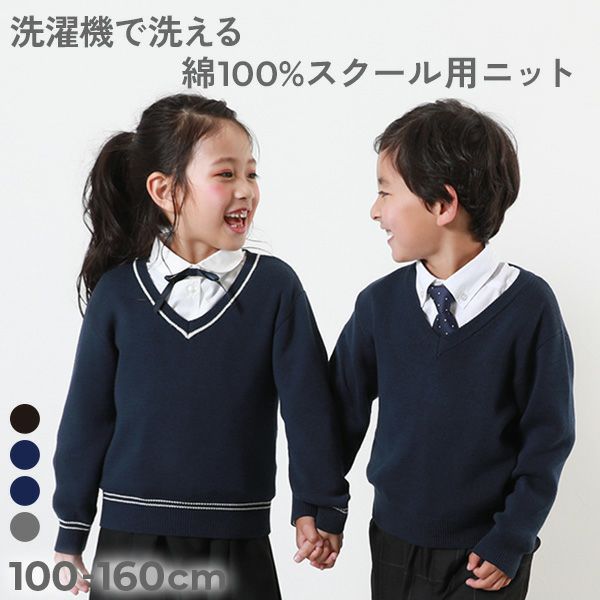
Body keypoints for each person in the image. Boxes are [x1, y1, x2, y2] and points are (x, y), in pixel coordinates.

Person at [52, 93, 348, 599]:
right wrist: (71, 530)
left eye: (251, 174)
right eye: (226, 174)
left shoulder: (274, 288)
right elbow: (86, 419)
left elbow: (308, 409)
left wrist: (317, 507)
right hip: (131, 542)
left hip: (238, 541)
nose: (246, 190)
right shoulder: (118, 295)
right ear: (164, 190)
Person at [329, 98, 575, 599]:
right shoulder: (378, 306)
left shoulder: (530, 307)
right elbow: (337, 413)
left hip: (488, 555)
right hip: (393, 545)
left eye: (385, 192)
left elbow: (548, 437)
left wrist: (513, 537)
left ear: (442, 204)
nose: (375, 210)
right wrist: (321, 504)